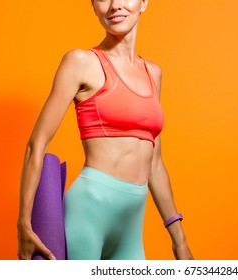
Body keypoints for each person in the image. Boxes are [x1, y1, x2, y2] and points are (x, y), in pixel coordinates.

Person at [17, 0, 193, 260]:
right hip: (89, 214)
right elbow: (37, 144)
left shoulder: (153, 73)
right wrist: (23, 223)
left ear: (143, 3)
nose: (114, 6)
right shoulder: (81, 62)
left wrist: (179, 239)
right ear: (93, 5)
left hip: (132, 224)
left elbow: (154, 163)